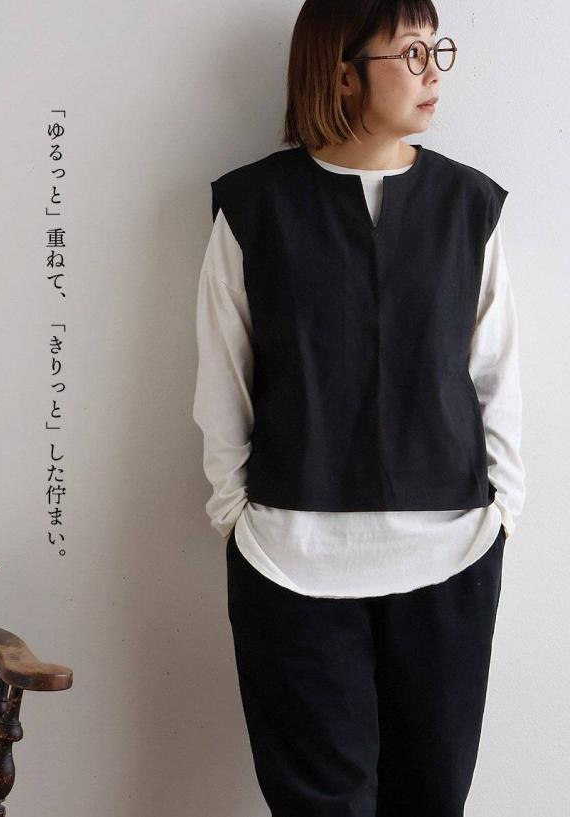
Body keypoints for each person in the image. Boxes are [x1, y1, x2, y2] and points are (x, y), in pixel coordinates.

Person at [192, 1, 525, 814]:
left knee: (432, 797)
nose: (433, 71)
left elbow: (496, 372)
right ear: (343, 74)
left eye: (437, 49)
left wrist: (505, 511)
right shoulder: (253, 208)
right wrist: (234, 514)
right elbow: (223, 374)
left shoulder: (468, 206)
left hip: (451, 554)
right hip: (290, 558)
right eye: (410, 53)